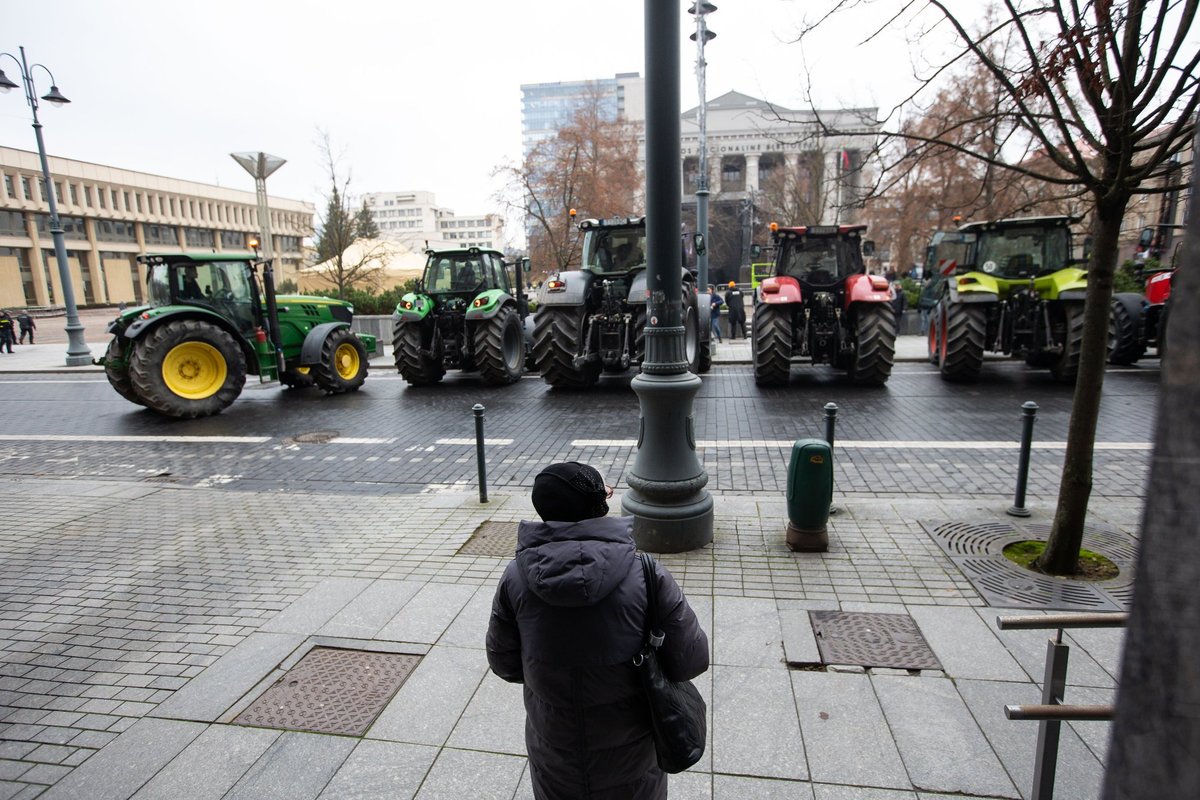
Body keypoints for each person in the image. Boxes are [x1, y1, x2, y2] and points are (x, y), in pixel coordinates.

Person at [486, 462, 709, 800]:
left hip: (554, 748)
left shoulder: (516, 577)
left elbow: (504, 664)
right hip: (631, 756)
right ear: (599, 507)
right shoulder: (647, 573)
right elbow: (692, 661)